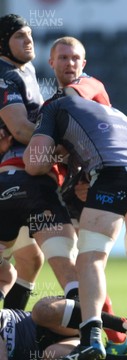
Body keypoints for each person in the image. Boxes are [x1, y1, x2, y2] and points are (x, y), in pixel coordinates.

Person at [23, 95, 127, 360]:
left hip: (115, 174)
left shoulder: (52, 108)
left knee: (90, 259)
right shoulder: (112, 110)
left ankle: (91, 340)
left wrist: (57, 153)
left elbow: (34, 163)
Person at [45, 35, 127, 356]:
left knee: (92, 261)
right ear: (51, 63)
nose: (70, 64)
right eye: (63, 58)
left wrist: (41, 120)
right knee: (90, 263)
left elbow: (80, 123)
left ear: (84, 64)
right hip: (87, 180)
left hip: (110, 177)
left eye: (75, 58)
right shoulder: (57, 101)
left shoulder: (85, 86)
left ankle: (105, 339)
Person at [0, 14, 79, 309]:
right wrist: (63, 145)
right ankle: (95, 329)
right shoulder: (4, 74)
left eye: (30, 34)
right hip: (24, 177)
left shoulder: (25, 70)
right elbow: (20, 128)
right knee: (69, 260)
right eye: (20, 36)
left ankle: (10, 331)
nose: (29, 40)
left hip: (15, 177)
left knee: (31, 260)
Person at [0, 296, 127, 360]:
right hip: (39, 352)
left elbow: (9, 274)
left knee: (42, 311)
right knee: (51, 357)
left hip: (46, 322)